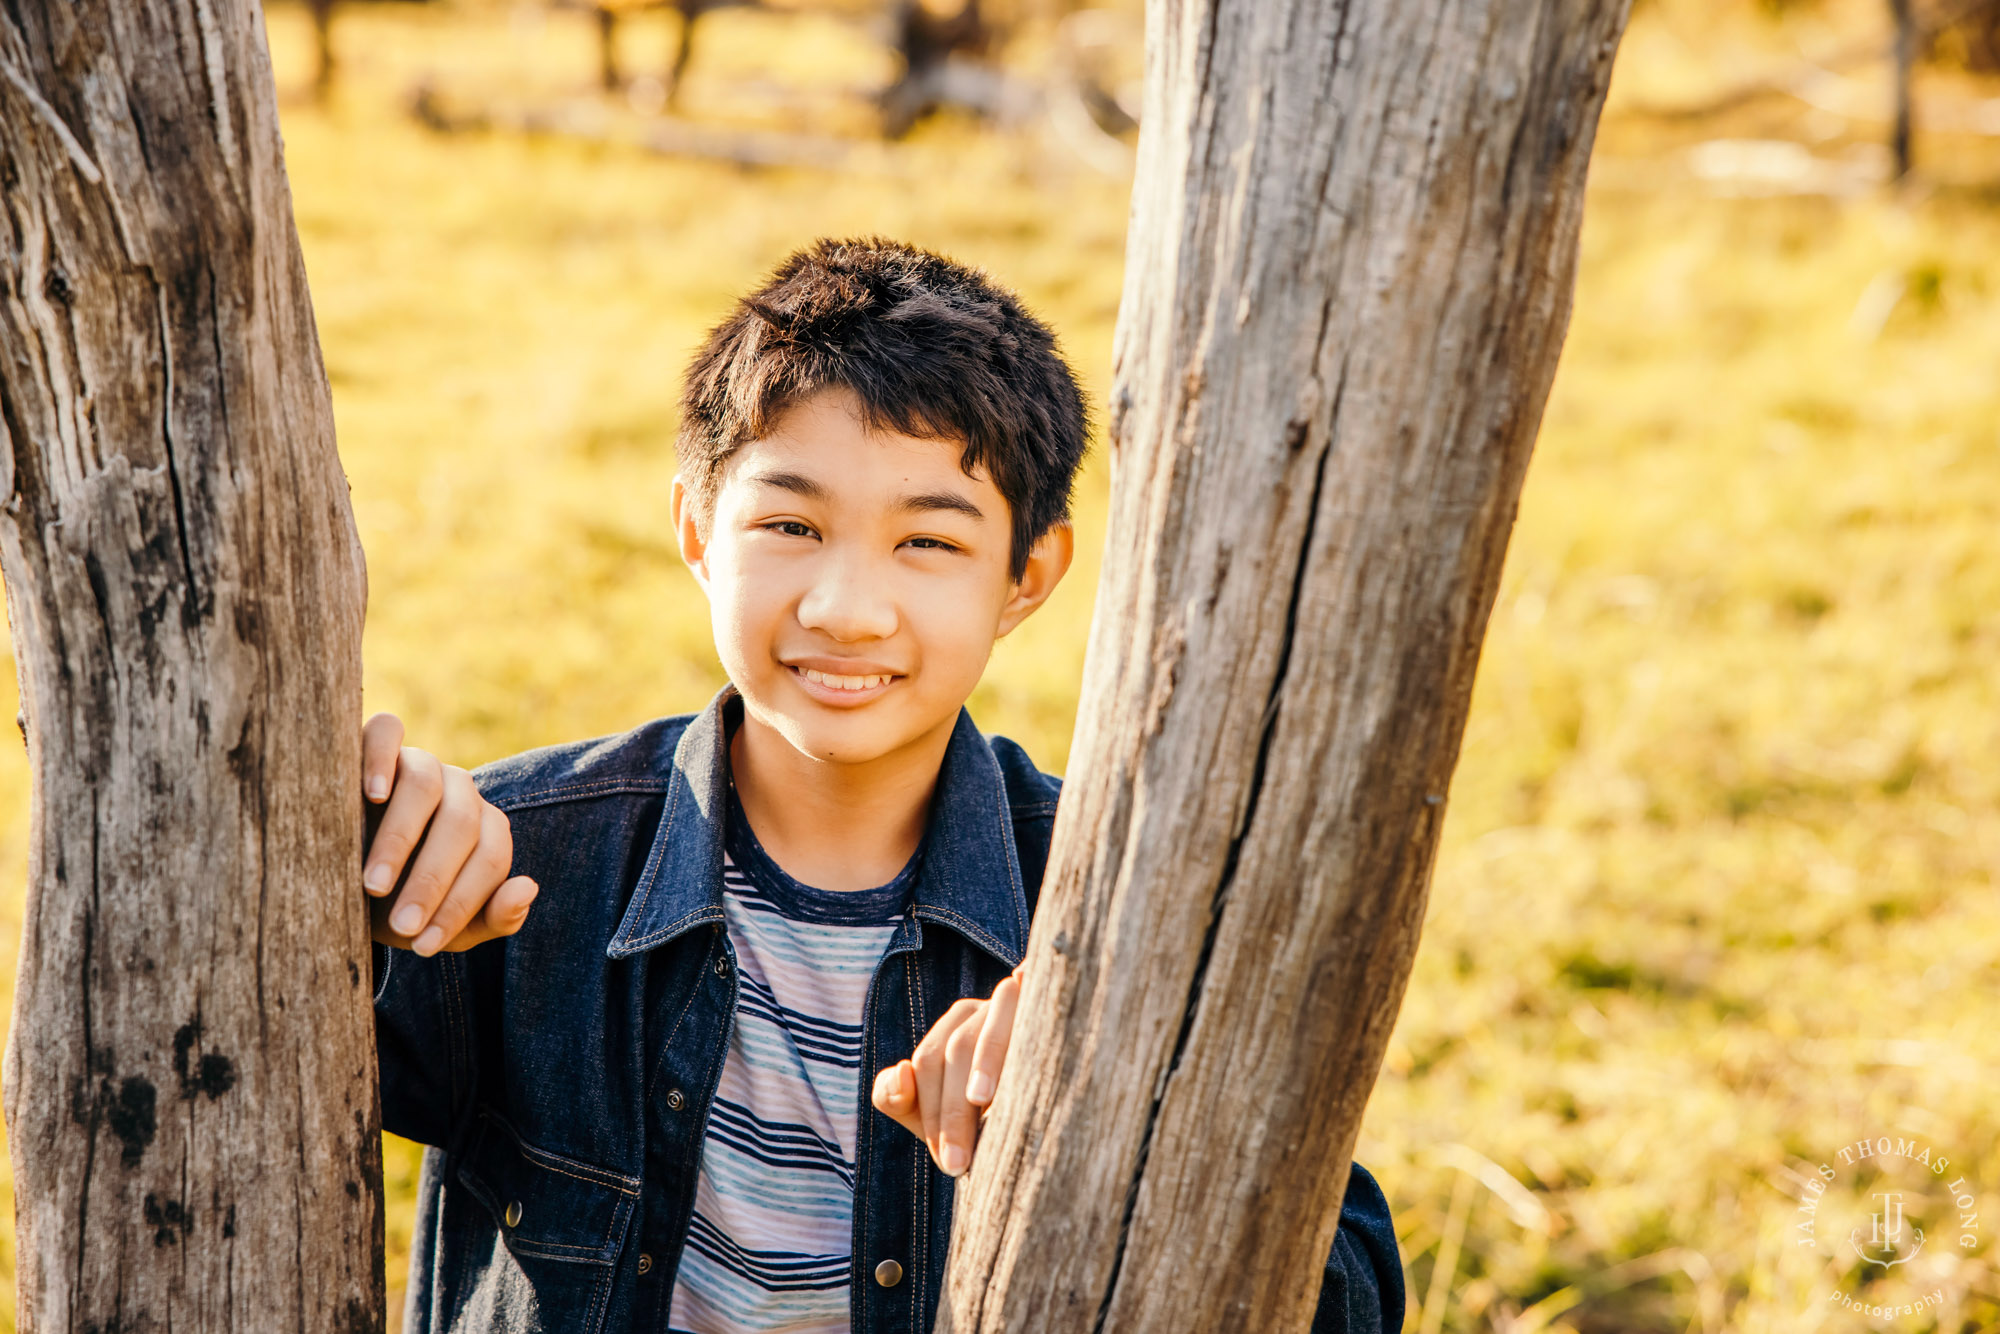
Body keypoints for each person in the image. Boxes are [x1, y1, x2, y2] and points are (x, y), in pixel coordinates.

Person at [363, 237, 1405, 1334]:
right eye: (791, 526)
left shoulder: (1107, 908)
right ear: (695, 531)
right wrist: (347, 871)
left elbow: (1351, 1289)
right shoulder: (522, 862)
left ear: (1025, 577)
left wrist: (1132, 1102)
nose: (847, 607)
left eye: (926, 540)